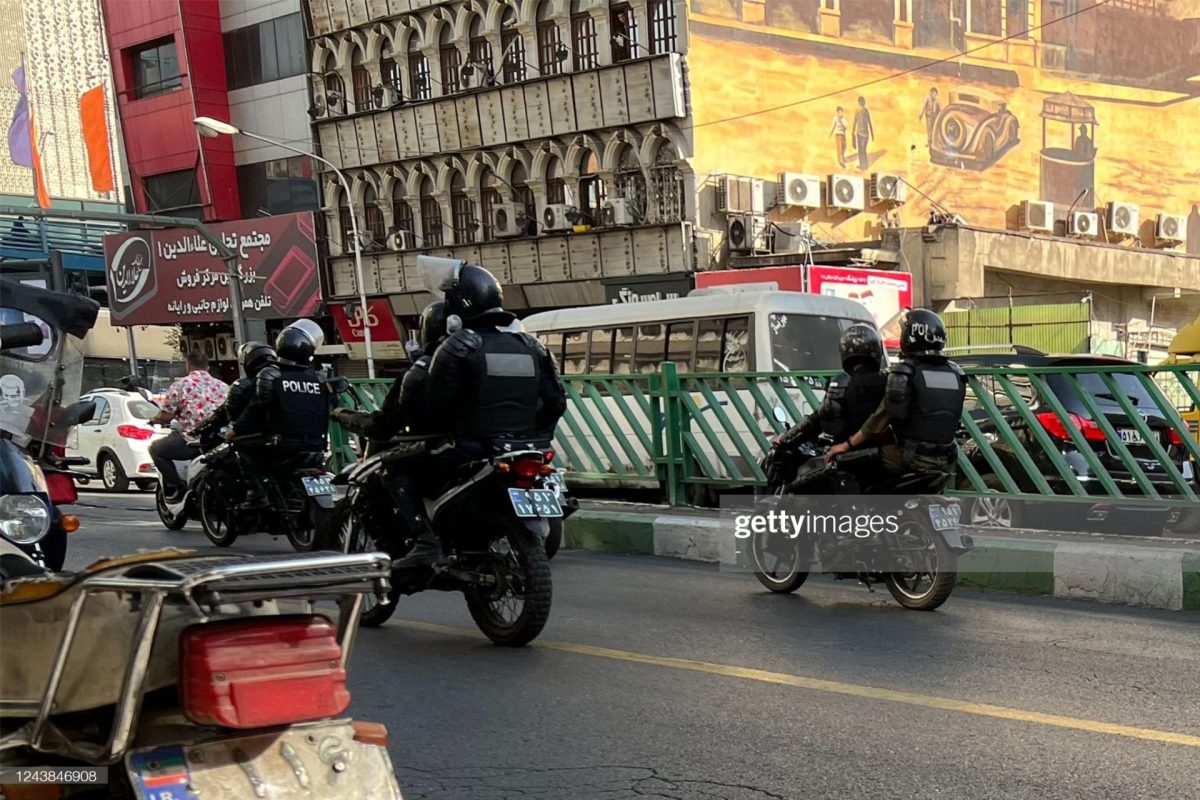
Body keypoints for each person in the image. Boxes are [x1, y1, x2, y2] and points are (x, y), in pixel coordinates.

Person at [410, 263, 566, 568]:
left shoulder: (458, 345)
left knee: (406, 468)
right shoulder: (532, 346)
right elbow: (556, 402)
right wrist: (538, 436)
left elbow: (435, 405)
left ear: (460, 303)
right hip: (528, 446)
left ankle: (424, 541)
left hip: (470, 447)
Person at [334, 302, 448, 566]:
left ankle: (424, 539)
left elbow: (384, 425)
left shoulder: (424, 370)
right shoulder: (493, 355)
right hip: (498, 445)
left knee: (390, 470)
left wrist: (346, 417)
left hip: (445, 451)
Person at [827, 309, 966, 485]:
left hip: (910, 457)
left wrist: (847, 445)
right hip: (946, 458)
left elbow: (879, 420)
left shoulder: (905, 372)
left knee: (845, 463)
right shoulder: (955, 372)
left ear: (910, 337)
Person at [770, 325, 888, 489]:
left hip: (847, 462)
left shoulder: (841, 386)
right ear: (877, 351)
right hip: (887, 462)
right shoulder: (891, 383)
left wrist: (784, 439)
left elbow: (816, 422)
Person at [333, 302, 444, 442]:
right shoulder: (475, 364)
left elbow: (383, 426)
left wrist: (344, 416)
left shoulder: (419, 373)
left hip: (430, 454)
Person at [230, 320, 334, 462]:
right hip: (316, 448)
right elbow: (331, 409)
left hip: (279, 450)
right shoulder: (320, 380)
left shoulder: (271, 375)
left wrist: (235, 430)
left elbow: (255, 409)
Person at [149, 350, 229, 500]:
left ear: (188, 366)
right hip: (220, 439)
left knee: (156, 449)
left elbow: (166, 416)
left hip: (194, 440)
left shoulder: (180, 385)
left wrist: (154, 420)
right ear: (208, 367)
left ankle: (177, 489)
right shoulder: (223, 386)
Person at [192, 342, 276, 444]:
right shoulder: (284, 380)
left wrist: (201, 427)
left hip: (251, 441)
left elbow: (224, 414)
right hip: (282, 440)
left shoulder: (242, 386)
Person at [853, 96, 874, 170]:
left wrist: (872, 133)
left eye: (863, 101)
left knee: (863, 149)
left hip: (865, 134)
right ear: (859, 103)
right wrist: (853, 132)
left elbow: (869, 122)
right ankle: (862, 165)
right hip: (859, 133)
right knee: (860, 150)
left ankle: (865, 165)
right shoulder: (857, 111)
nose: (862, 103)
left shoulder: (866, 111)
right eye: (861, 102)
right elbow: (854, 122)